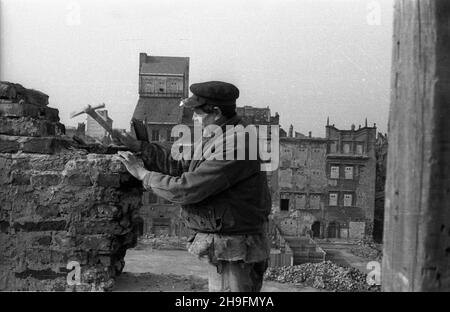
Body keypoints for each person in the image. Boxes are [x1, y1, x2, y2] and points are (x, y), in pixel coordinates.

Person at [116, 81, 272, 292]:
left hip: (235, 246)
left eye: (197, 113)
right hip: (228, 242)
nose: (194, 118)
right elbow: (181, 165)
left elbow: (188, 188)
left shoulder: (237, 142)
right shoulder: (220, 133)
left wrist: (144, 175)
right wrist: (141, 148)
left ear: (215, 112)